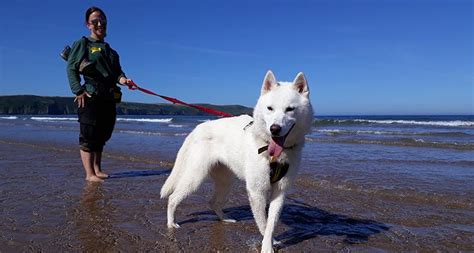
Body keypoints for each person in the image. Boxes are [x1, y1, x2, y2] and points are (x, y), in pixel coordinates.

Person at [66, 6, 132, 182]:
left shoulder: (112, 52)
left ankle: (98, 169)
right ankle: (89, 174)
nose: (100, 23)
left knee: (102, 135)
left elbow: (118, 73)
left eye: (102, 20)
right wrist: (78, 90)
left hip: (108, 97)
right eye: (95, 21)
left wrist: (124, 80)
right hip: (90, 96)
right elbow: (71, 67)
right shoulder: (83, 44)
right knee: (89, 135)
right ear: (88, 24)